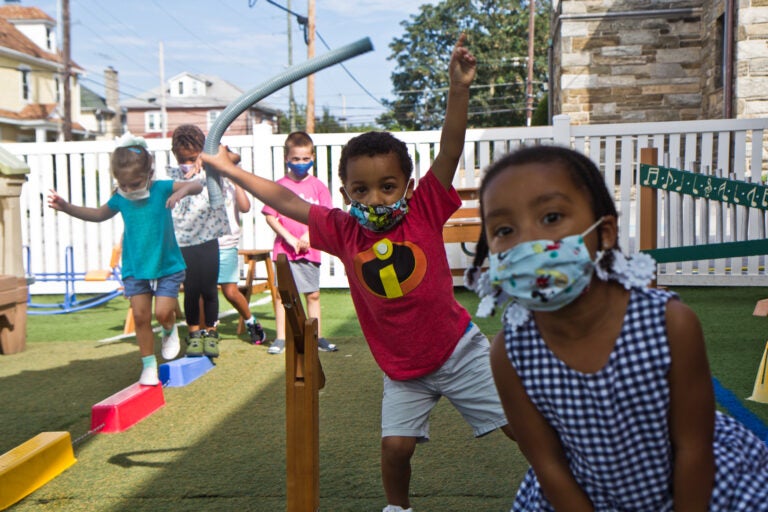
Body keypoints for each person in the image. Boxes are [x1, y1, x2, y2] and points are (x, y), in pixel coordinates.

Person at [203, 34, 514, 512]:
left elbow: (449, 150)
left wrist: (459, 89)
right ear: (346, 192)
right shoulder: (346, 231)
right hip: (403, 371)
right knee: (395, 448)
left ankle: (565, 474)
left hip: (458, 351)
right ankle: (398, 507)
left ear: (407, 186)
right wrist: (233, 172)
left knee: (518, 425)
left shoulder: (424, 208)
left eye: (388, 187)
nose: (376, 199)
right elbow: (288, 201)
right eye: (362, 190)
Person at [465, 144, 768, 510]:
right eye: (505, 229)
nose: (527, 240)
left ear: (604, 232)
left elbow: (694, 446)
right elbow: (547, 463)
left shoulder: (670, 324)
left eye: (550, 217)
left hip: (702, 488)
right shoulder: (509, 353)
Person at [47, 134, 202, 386]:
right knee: (140, 316)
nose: (129, 190)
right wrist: (67, 207)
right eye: (124, 185)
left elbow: (198, 185)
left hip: (167, 264)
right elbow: (98, 214)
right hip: (135, 266)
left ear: (149, 172)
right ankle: (149, 366)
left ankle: (168, 328)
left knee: (163, 312)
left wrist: (181, 191)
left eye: (135, 184)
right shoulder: (121, 198)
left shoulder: (161, 187)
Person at [262, 131, 335, 354]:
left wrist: (308, 236)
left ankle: (317, 336)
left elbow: (326, 216)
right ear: (287, 158)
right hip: (284, 251)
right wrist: (290, 238)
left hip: (310, 250)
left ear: (312, 157)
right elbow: (270, 215)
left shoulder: (318, 186)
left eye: (305, 159)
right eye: (295, 159)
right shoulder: (279, 186)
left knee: (312, 294)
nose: (301, 163)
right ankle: (281, 338)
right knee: (283, 294)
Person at [168, 124, 229, 358]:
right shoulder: (172, 176)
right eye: (182, 159)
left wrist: (206, 158)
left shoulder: (211, 170)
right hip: (183, 242)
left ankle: (211, 333)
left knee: (209, 289)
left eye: (192, 158)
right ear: (175, 155)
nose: (187, 163)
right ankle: (194, 335)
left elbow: (233, 156)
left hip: (208, 239)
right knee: (191, 290)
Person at [218, 167, 267, 345]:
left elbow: (245, 207)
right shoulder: (201, 182)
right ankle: (206, 331)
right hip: (204, 245)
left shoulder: (230, 184)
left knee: (230, 291)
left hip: (227, 244)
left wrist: (235, 179)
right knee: (203, 291)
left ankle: (250, 321)